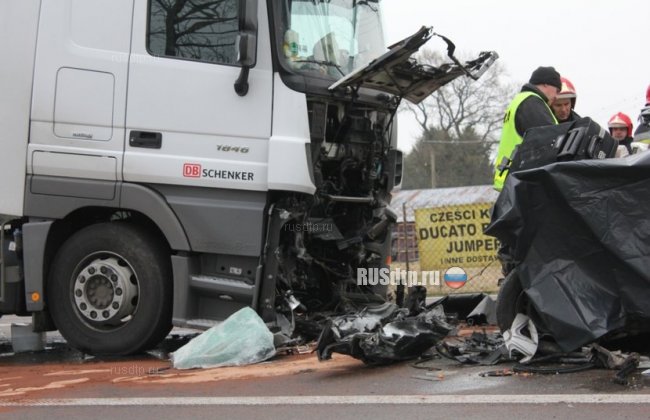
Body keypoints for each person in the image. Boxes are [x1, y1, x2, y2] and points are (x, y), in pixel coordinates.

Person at [493, 66, 561, 191]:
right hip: (522, 182)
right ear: (546, 84)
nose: (557, 96)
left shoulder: (521, 101)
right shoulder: (532, 103)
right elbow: (551, 141)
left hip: (512, 179)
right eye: (557, 90)